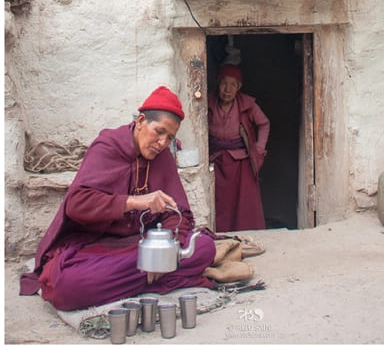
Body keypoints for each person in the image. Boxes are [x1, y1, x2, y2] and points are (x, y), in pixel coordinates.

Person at [20, 86, 217, 311]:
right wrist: (132, 202)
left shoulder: (162, 157)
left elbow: (179, 214)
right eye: (159, 131)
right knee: (66, 286)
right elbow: (76, 205)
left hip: (139, 245)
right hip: (95, 246)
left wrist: (163, 252)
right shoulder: (107, 147)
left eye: (170, 137)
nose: (162, 142)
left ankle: (142, 276)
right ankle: (155, 279)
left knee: (204, 248)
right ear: (141, 121)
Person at [208, 64, 270, 232]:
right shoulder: (208, 103)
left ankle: (247, 235)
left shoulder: (247, 104)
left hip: (241, 160)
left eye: (233, 85)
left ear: (239, 88)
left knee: (244, 203)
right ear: (217, 84)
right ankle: (222, 234)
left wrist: (258, 149)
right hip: (217, 160)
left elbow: (264, 124)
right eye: (223, 84)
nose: (227, 89)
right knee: (221, 203)